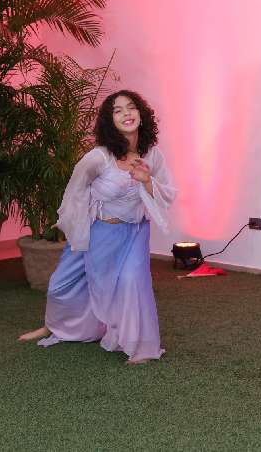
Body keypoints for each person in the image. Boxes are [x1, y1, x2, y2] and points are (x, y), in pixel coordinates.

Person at [18, 90, 176, 365]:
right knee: (59, 285)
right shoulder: (98, 157)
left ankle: (140, 347)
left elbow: (167, 195)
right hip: (97, 233)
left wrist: (147, 180)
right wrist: (75, 227)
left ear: (141, 114)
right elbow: (75, 192)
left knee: (131, 282)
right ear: (109, 121)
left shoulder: (153, 155)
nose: (126, 114)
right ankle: (53, 326)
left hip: (134, 233)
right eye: (118, 110)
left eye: (131, 107)